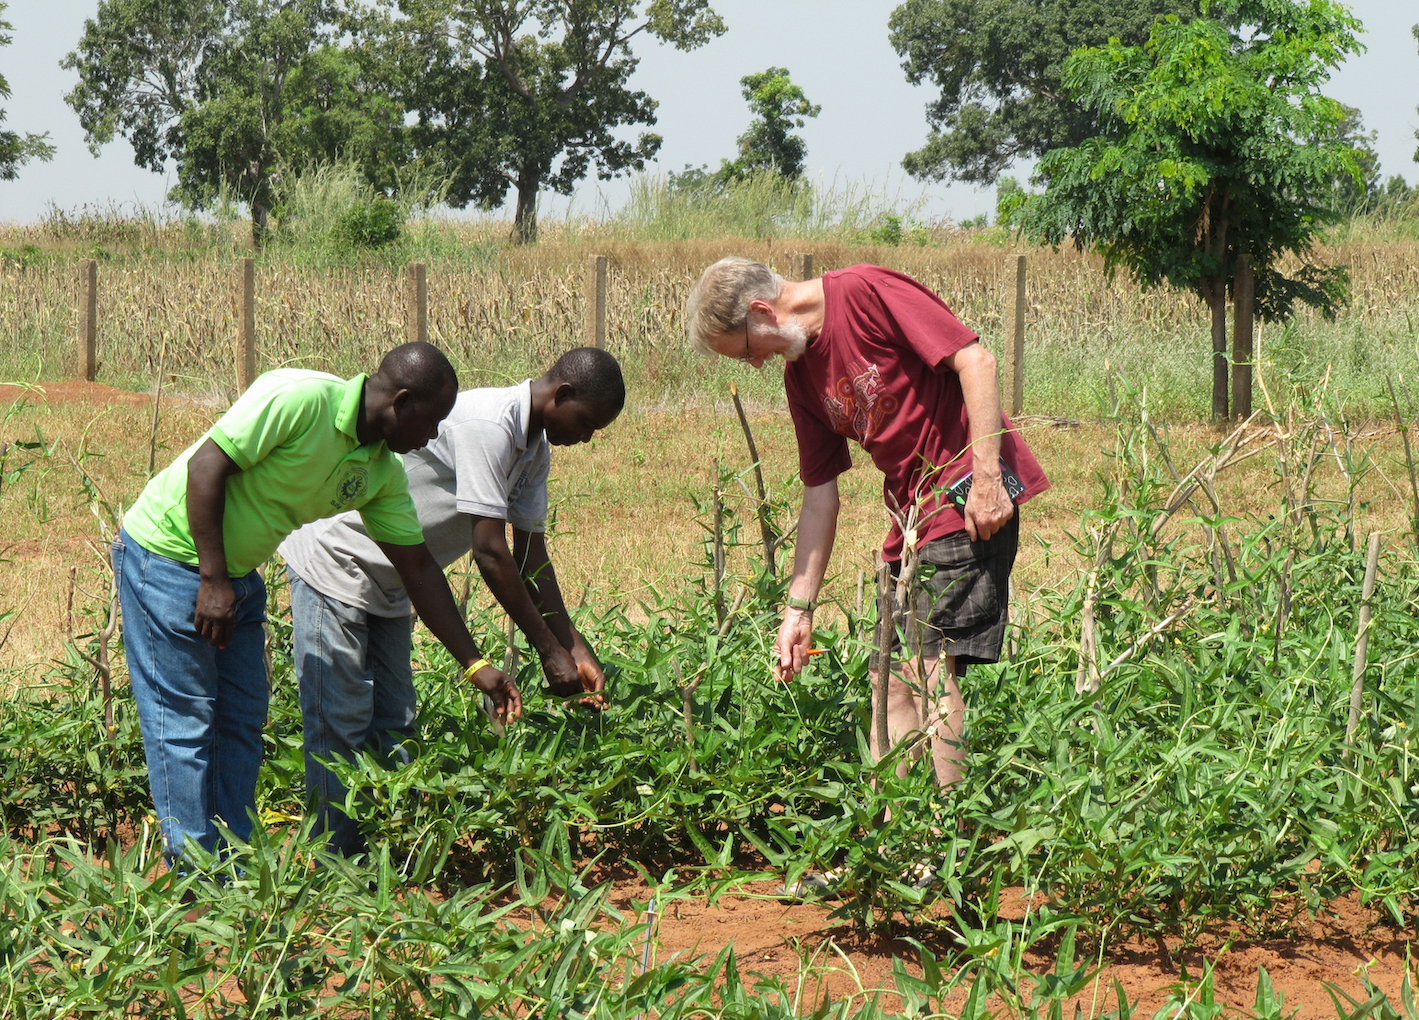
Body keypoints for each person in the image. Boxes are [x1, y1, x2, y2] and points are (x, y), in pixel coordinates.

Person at [685, 257, 1049, 893]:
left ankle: (944, 853)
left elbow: (977, 361)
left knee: (929, 671)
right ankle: (895, 845)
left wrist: (989, 478)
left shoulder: (864, 292)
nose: (754, 365)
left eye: (743, 350)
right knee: (888, 683)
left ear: (763, 315)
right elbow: (819, 496)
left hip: (964, 500)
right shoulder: (802, 379)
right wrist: (797, 611)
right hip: (907, 520)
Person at [115, 342, 521, 866]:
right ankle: (193, 874)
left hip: (234, 578)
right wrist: (212, 579)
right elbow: (206, 467)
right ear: (401, 403)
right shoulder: (300, 398)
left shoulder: (380, 472)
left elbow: (418, 568)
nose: (435, 435)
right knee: (185, 723)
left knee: (240, 720)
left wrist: (476, 664)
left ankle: (233, 866)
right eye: (432, 420)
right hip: (167, 558)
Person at [278, 347, 625, 856]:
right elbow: (490, 551)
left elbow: (532, 556)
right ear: (563, 394)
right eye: (588, 423)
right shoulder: (491, 426)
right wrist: (547, 649)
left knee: (395, 723)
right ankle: (336, 862)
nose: (588, 438)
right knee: (341, 722)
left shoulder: (532, 450)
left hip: (399, 578)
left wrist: (574, 646)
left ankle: (388, 857)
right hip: (338, 559)